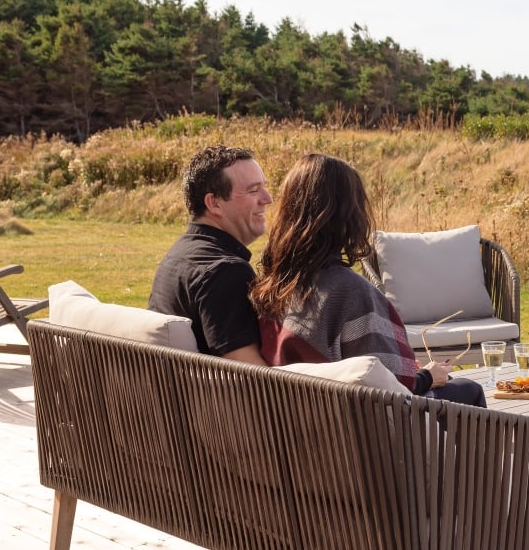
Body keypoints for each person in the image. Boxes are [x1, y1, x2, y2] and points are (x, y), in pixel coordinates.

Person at [251, 152, 486, 406]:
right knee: (468, 389)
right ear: (347, 216)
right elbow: (392, 385)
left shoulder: (272, 284)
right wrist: (429, 376)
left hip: (298, 414)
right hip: (359, 428)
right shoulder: (350, 292)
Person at [149, 145, 272, 364]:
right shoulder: (224, 271)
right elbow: (250, 375)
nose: (267, 198)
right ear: (214, 203)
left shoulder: (178, 256)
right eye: (253, 190)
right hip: (207, 397)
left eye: (264, 188)